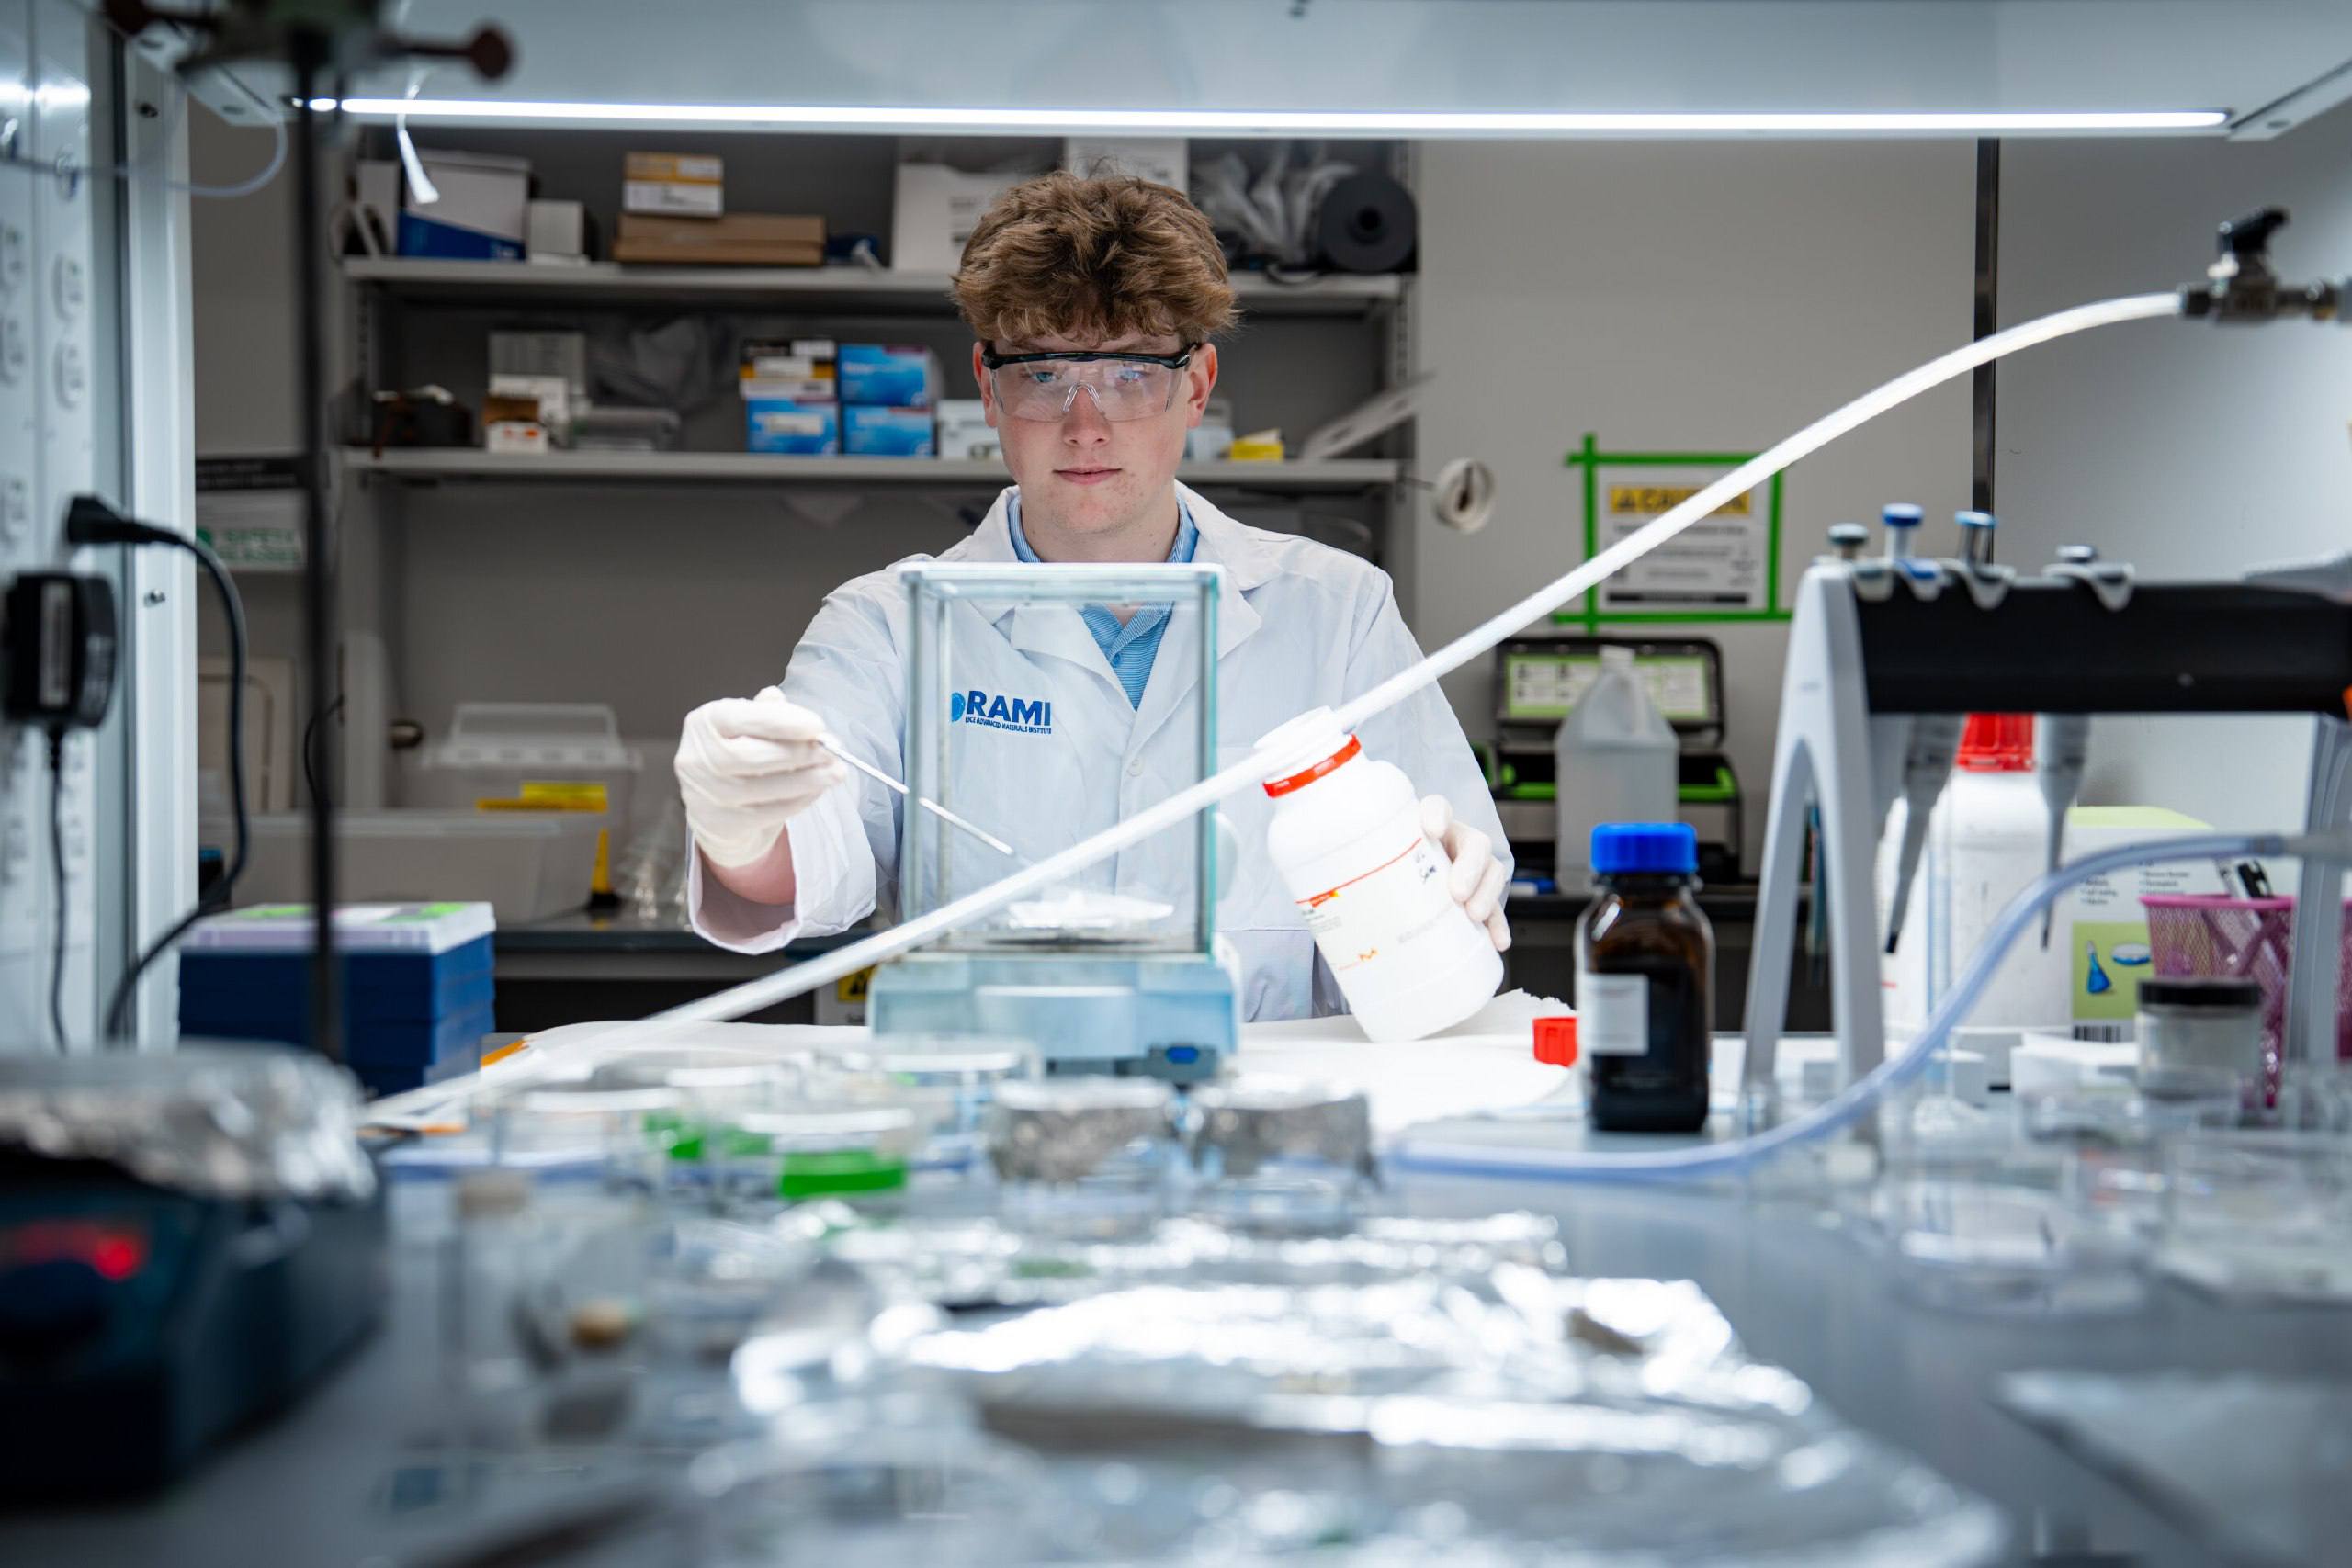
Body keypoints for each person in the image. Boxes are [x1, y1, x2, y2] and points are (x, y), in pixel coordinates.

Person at [674, 171, 1510, 1021]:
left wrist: (1445, 881)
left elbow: (1452, 884)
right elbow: (805, 862)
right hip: (993, 1093)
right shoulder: (887, 626)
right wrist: (742, 825)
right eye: (1042, 373)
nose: (1085, 426)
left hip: (1263, 1095)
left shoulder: (1337, 612)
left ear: (1197, 384)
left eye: (1132, 373)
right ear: (988, 386)